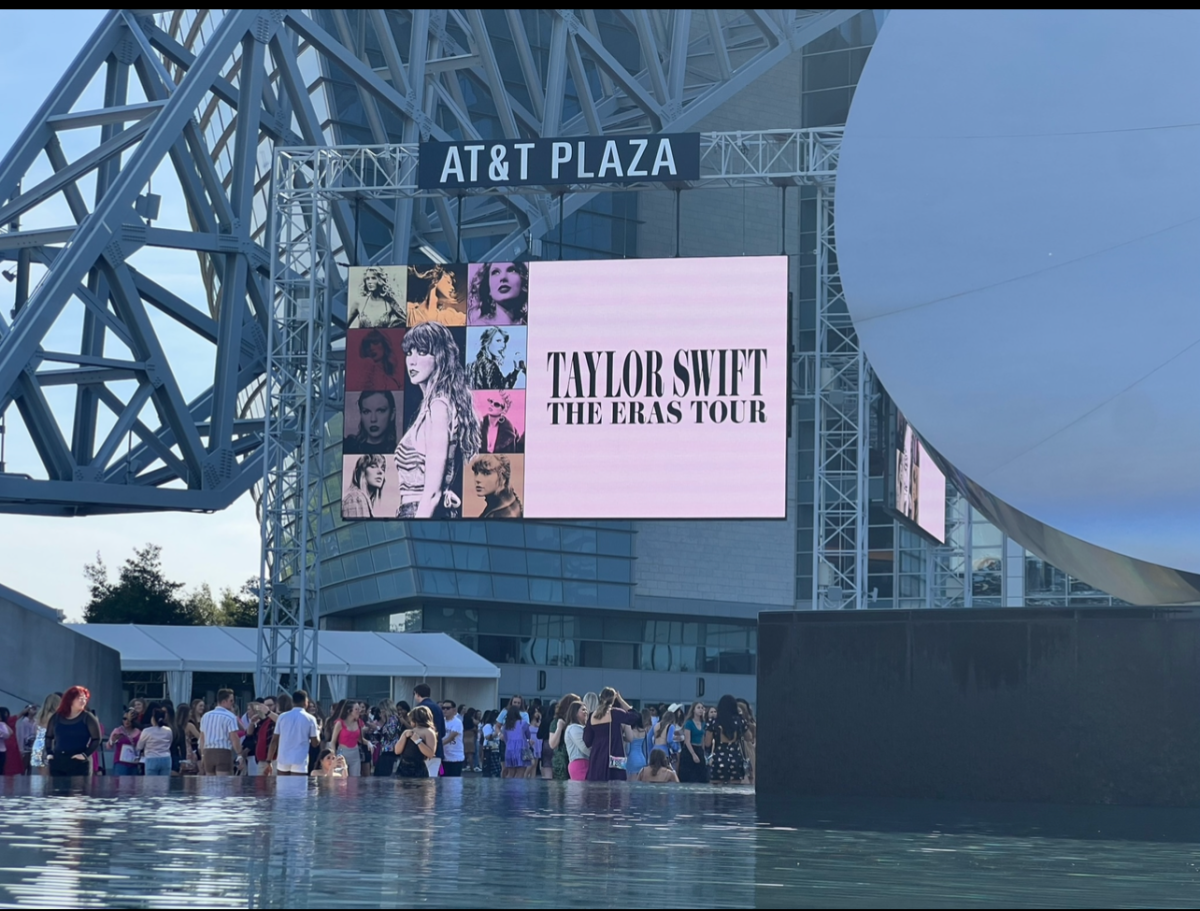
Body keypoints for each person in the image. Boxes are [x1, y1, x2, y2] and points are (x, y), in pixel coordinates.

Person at [395, 322, 478, 518]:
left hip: (420, 512)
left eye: (422, 352)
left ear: (440, 358)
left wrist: (418, 524)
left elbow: (432, 494)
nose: (412, 361)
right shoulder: (429, 406)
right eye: (409, 353)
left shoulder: (438, 407)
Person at [583, 687, 639, 782]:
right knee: (617, 788)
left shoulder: (592, 716)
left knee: (596, 790)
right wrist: (621, 701)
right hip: (616, 756)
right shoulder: (616, 713)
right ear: (614, 699)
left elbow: (587, 741)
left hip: (597, 758)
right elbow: (635, 716)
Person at [44, 686, 101, 777]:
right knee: (57, 790)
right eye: (79, 698)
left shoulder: (88, 717)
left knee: (78, 790)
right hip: (59, 760)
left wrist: (85, 755)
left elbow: (97, 739)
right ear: (70, 699)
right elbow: (48, 737)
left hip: (79, 761)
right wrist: (49, 753)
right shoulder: (56, 717)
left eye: (85, 699)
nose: (83, 701)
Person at [269, 690, 320, 776]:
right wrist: (318, 732)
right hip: (300, 759)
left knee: (283, 787)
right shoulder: (311, 719)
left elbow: (274, 740)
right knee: (298, 788)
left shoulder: (282, 717)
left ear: (292, 702)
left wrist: (268, 760)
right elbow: (315, 743)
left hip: (283, 758)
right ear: (305, 702)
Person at [468, 261, 529, 326]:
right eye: (495, 272)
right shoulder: (479, 326)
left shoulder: (530, 324)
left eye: (512, 270)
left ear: (522, 282)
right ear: (488, 288)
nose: (503, 277)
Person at [198, 689, 241, 777]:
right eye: (231, 701)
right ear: (224, 701)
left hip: (207, 752)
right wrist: (239, 754)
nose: (232, 703)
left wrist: (202, 755)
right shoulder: (230, 716)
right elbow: (234, 738)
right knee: (223, 784)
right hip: (223, 752)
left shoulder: (206, 716)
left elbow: (202, 738)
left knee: (210, 783)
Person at [344, 390, 399, 455]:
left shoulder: (399, 453)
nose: (373, 419)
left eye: (380, 411)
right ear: (361, 414)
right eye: (366, 412)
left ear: (392, 414)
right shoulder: (348, 447)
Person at [709, 695, 747, 785]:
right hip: (735, 757)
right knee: (735, 792)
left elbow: (707, 743)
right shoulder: (739, 721)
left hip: (719, 758)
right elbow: (748, 737)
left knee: (716, 792)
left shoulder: (715, 722)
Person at [393, 705, 438, 777]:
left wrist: (418, 741)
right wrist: (404, 737)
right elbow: (397, 751)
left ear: (415, 719)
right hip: (403, 767)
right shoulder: (407, 731)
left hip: (418, 768)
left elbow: (430, 754)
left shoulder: (429, 732)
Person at [412, 683, 446, 774]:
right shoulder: (438, 708)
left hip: (421, 750)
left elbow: (416, 729)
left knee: (419, 783)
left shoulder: (419, 709)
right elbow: (442, 732)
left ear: (417, 693)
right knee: (432, 781)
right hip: (437, 750)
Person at [547, 694, 581, 782]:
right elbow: (552, 744)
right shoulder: (556, 722)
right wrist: (559, 728)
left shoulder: (578, 723)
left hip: (575, 760)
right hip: (561, 762)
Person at [330, 702, 366, 777]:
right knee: (340, 777)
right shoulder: (340, 723)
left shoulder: (358, 722)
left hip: (355, 753)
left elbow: (359, 739)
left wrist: (368, 743)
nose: (359, 711)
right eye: (356, 709)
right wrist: (334, 756)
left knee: (355, 778)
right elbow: (333, 741)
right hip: (342, 752)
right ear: (349, 711)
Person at [29, 693, 61, 776]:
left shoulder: (40, 717)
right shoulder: (55, 717)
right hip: (49, 745)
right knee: (51, 777)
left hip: (38, 746)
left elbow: (36, 733)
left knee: (42, 775)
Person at [500, 700, 533, 779]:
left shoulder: (505, 726)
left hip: (509, 749)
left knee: (510, 772)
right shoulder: (523, 723)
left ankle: (509, 788)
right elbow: (528, 735)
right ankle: (518, 789)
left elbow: (505, 738)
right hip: (522, 748)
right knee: (521, 772)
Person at [137, 707, 174, 776]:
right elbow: (170, 742)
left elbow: (139, 746)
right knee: (164, 784)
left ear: (153, 718)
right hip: (166, 758)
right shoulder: (168, 730)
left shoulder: (147, 731)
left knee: (151, 784)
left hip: (151, 758)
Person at [678, 702, 709, 784]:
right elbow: (687, 741)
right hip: (690, 749)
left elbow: (702, 738)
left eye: (702, 708)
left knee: (702, 775)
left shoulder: (703, 724)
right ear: (694, 710)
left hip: (699, 749)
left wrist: (703, 752)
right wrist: (693, 754)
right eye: (698, 708)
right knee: (689, 776)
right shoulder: (689, 723)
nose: (701, 710)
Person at [108, 709, 142, 777]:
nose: (126, 721)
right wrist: (113, 740)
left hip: (134, 763)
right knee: (120, 785)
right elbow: (108, 746)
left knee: (134, 786)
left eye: (129, 719)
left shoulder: (139, 732)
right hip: (120, 763)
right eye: (124, 718)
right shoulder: (118, 730)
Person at [563, 701, 590, 781]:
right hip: (580, 764)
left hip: (585, 763)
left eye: (586, 710)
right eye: (583, 710)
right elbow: (584, 747)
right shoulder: (574, 728)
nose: (586, 712)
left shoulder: (579, 728)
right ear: (575, 713)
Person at [624, 708, 652, 780]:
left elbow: (628, 750)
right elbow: (644, 748)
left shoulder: (631, 732)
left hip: (632, 759)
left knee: (631, 784)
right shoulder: (644, 732)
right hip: (642, 759)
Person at [440, 700, 465, 777]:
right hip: (443, 758)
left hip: (455, 758)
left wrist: (437, 746)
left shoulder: (457, 722)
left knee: (454, 781)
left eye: (448, 708)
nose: (445, 710)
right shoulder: (441, 721)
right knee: (442, 777)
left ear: (454, 710)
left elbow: (450, 738)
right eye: (443, 708)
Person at [737, 699, 757, 785]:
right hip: (747, 748)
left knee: (749, 772)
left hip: (747, 748)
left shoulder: (751, 725)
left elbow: (751, 737)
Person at [479, 710, 502, 778]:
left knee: (498, 767)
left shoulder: (498, 726)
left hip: (498, 748)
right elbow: (487, 737)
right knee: (491, 768)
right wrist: (497, 732)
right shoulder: (488, 726)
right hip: (490, 749)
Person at [16, 704, 37, 772]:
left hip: (33, 746)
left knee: (30, 766)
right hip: (25, 747)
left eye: (35, 709)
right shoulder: (24, 722)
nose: (34, 710)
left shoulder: (36, 721)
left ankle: (29, 781)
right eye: (32, 709)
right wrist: (21, 749)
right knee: (24, 765)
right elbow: (21, 736)